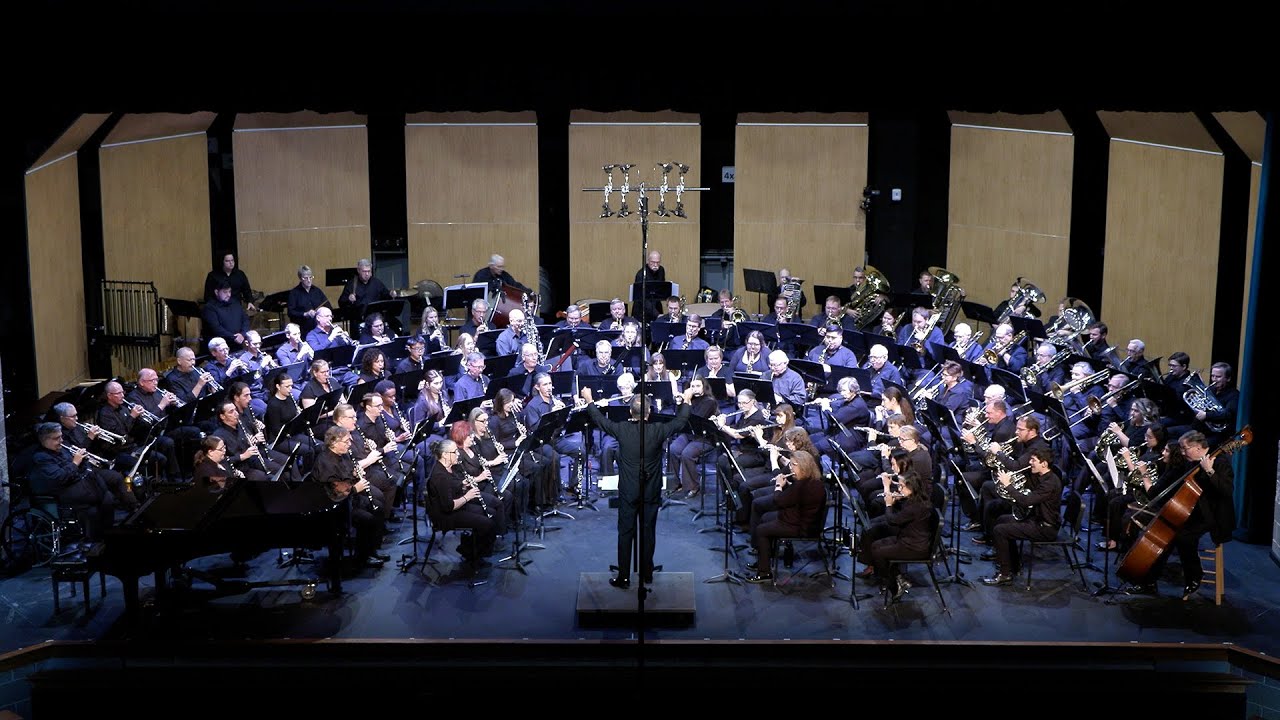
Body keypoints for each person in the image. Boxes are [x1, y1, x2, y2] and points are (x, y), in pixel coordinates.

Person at [580, 384, 691, 589]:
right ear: (649, 413)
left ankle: (624, 577)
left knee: (625, 532)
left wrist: (589, 399)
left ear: (631, 411)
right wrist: (687, 399)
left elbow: (599, 420)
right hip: (651, 489)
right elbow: (681, 421)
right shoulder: (658, 430)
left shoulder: (622, 429)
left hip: (628, 490)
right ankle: (646, 573)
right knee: (648, 530)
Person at [1124, 430, 1236, 599]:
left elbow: (1227, 491)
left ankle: (1195, 575)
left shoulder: (1219, 462)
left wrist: (1209, 471)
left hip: (1213, 515)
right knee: (1167, 534)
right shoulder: (1191, 461)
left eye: (1185, 449)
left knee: (1183, 537)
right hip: (1193, 510)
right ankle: (1148, 582)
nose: (1182, 453)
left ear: (1198, 447)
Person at [980, 446, 1062, 586]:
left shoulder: (1050, 483)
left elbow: (1026, 501)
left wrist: (1008, 485)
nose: (1030, 462)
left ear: (1044, 464)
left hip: (1045, 528)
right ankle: (1014, 565)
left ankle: (1005, 574)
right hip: (1036, 520)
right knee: (1002, 520)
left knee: (1000, 531)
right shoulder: (1041, 476)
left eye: (1033, 460)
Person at [312, 425, 389, 569]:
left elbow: (346, 474)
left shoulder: (343, 454)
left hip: (348, 499)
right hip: (335, 506)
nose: (349, 444)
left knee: (378, 507)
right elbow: (334, 492)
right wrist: (355, 488)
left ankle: (371, 550)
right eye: (346, 441)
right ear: (334, 443)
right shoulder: (326, 463)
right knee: (367, 519)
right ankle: (362, 557)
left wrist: (354, 474)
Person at [855, 456, 932, 600]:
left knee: (878, 552)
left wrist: (889, 503)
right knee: (876, 546)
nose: (899, 488)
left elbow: (892, 521)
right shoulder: (916, 499)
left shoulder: (914, 506)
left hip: (913, 546)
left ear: (912, 488)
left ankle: (894, 584)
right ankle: (897, 577)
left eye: (902, 486)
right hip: (907, 538)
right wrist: (898, 498)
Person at [743, 449, 825, 584]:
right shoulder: (813, 482)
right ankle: (764, 560)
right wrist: (788, 485)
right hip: (803, 520)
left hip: (801, 527)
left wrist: (778, 486)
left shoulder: (801, 485)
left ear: (803, 467)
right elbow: (796, 497)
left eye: (793, 465)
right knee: (765, 518)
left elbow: (779, 501)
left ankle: (764, 573)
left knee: (762, 530)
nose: (790, 467)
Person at [29, 422, 118, 540]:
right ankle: (93, 540)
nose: (61, 440)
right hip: (64, 491)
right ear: (45, 440)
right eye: (57, 438)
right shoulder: (41, 458)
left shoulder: (62, 448)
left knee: (108, 498)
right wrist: (75, 463)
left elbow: (77, 467)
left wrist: (83, 460)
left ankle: (106, 534)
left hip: (80, 484)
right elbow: (60, 478)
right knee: (93, 510)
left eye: (61, 436)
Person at [427, 437, 498, 564]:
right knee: (487, 523)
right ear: (445, 455)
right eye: (454, 452)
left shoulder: (449, 468)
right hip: (445, 516)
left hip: (454, 507)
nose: (458, 454)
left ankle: (468, 547)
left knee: (490, 513)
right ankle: (473, 554)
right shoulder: (439, 476)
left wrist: (464, 485)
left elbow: (452, 486)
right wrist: (468, 496)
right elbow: (448, 506)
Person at [668, 376, 721, 497]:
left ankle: (693, 486)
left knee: (687, 454)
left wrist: (687, 400)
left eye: (698, 386)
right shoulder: (690, 399)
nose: (695, 389)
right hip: (689, 434)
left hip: (705, 437)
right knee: (673, 449)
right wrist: (679, 403)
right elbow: (680, 418)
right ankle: (675, 483)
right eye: (692, 386)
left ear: (704, 387)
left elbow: (696, 418)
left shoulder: (709, 401)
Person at [202, 278, 250, 350]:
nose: (228, 295)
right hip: (219, 348)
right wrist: (234, 337)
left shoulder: (235, 303)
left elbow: (245, 320)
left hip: (238, 344)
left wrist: (242, 334)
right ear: (216, 292)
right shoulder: (209, 308)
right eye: (225, 292)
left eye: (229, 291)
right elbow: (216, 328)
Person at [286, 264, 329, 336]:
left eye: (311, 277)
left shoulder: (317, 291)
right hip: (303, 330)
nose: (309, 280)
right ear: (300, 278)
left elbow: (327, 305)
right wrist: (305, 314)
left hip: (319, 329)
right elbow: (290, 312)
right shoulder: (294, 293)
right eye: (305, 278)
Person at [633, 250, 666, 321]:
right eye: (653, 262)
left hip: (656, 305)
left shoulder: (661, 270)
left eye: (658, 262)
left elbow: (661, 289)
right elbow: (642, 299)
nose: (655, 265)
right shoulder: (641, 275)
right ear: (648, 261)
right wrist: (656, 314)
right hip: (642, 310)